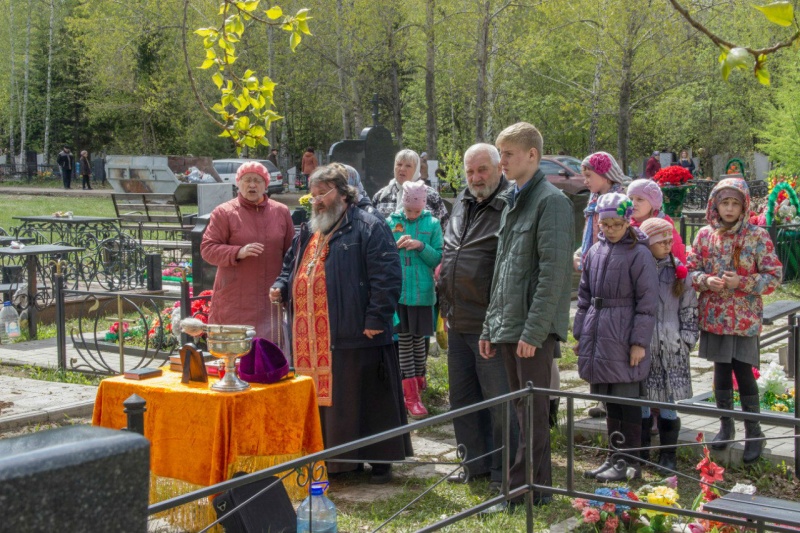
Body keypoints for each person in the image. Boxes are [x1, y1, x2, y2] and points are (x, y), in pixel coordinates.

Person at [270, 163, 411, 483]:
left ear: (343, 194)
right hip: (312, 337)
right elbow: (291, 263)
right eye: (313, 194)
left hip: (355, 331)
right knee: (329, 401)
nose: (316, 200)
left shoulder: (369, 225)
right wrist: (281, 285)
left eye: (323, 194)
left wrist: (377, 316)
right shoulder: (309, 228)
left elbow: (387, 275)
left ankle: (378, 461)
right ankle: (334, 461)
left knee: (363, 399)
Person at [479, 122, 574, 507]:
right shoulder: (514, 200)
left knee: (534, 411)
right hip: (508, 324)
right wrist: (490, 325)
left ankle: (521, 490)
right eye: (500, 154)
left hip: (530, 329)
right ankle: (541, 488)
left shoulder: (551, 202)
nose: (501, 162)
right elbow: (503, 270)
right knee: (523, 408)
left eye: (508, 154)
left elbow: (553, 275)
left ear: (532, 155)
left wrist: (534, 332)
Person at [438, 142, 517, 490]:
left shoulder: (510, 204)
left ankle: (505, 470)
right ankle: (474, 462)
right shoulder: (462, 202)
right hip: (457, 319)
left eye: (482, 169)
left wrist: (494, 322)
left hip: (490, 324)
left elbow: (508, 269)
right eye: (470, 171)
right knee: (463, 399)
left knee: (499, 401)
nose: (475, 177)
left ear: (499, 168)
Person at [687, 177, 782, 464]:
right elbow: (690, 271)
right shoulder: (704, 235)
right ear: (715, 204)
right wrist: (706, 281)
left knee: (743, 372)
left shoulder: (756, 236)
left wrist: (744, 281)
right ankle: (725, 424)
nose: (729, 209)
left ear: (744, 206)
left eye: (734, 203)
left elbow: (774, 276)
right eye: (724, 202)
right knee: (720, 369)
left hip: (743, 317)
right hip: (715, 315)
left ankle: (754, 430)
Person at [574, 192, 658, 483]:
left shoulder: (639, 254)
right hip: (599, 333)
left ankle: (629, 461)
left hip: (623, 335)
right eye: (604, 224)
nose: (609, 230)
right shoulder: (595, 252)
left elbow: (647, 304)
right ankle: (613, 456)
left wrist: (638, 342)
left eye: (615, 224)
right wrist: (580, 333)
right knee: (609, 400)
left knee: (627, 401)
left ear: (627, 222)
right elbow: (584, 297)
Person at [201, 161, 294, 342]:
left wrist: (285, 287)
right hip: (236, 300)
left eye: (258, 181)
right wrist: (238, 252)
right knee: (236, 357)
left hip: (270, 300)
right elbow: (207, 249)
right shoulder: (224, 212)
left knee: (268, 356)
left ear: (266, 185)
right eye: (247, 180)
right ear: (238, 183)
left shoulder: (281, 212)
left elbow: (291, 254)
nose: (252, 185)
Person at [638, 217, 699, 474]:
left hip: (672, 347)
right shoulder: (638, 268)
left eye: (668, 240)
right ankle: (640, 453)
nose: (666, 245)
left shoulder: (679, 273)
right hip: (643, 347)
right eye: (659, 241)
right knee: (641, 401)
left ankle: (668, 455)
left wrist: (687, 339)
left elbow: (689, 308)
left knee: (668, 403)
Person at [573, 151, 627, 420]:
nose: (585, 181)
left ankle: (612, 399)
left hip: (614, 271)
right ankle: (599, 396)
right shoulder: (593, 200)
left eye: (589, 175)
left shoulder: (621, 198)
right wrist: (580, 253)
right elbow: (589, 234)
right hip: (593, 267)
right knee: (591, 335)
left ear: (605, 174)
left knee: (609, 338)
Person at [387, 180, 443, 419]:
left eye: (416, 211)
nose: (411, 215)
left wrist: (421, 246)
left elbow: (438, 258)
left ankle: (418, 382)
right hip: (400, 294)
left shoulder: (432, 223)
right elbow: (382, 254)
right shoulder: (392, 222)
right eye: (408, 210)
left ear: (423, 206)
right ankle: (410, 396)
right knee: (406, 342)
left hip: (422, 293)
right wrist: (395, 247)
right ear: (403, 204)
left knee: (420, 342)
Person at [372, 149, 450, 228]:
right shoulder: (381, 196)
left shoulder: (431, 195)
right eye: (399, 164)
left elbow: (445, 228)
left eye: (408, 166)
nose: (402, 169)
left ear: (416, 169)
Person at [627, 178, 687, 264]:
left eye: (640, 199)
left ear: (653, 203)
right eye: (630, 198)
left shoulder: (663, 224)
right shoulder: (625, 224)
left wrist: (680, 271)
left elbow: (677, 252)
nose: (633, 203)